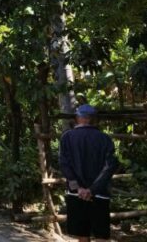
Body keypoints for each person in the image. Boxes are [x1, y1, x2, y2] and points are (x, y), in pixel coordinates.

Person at [59, 104, 118, 242]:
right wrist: (92, 190)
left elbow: (64, 165)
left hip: (76, 194)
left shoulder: (67, 137)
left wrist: (77, 188)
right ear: (93, 119)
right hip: (100, 194)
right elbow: (110, 166)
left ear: (77, 118)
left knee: (82, 234)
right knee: (101, 234)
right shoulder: (105, 138)